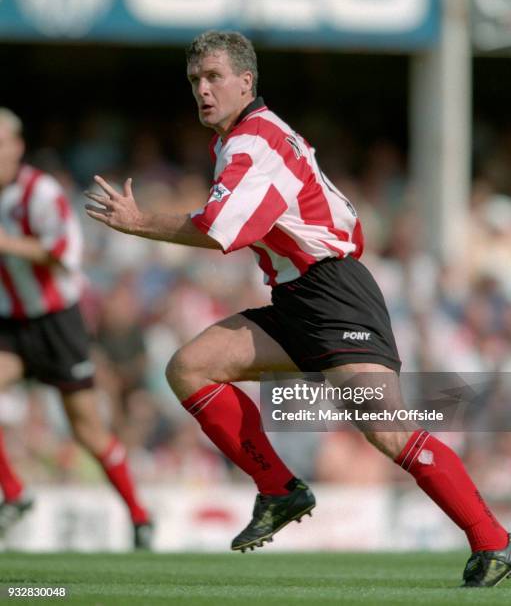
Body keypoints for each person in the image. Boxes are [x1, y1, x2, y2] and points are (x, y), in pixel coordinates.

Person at [85, 31, 510, 586]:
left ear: (247, 82)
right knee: (189, 367)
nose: (203, 91)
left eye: (213, 78)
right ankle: (279, 490)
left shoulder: (254, 141)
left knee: (387, 430)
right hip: (297, 296)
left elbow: (220, 231)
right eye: (195, 81)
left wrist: (139, 223)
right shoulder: (238, 140)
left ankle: (493, 542)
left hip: (333, 293)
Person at [0, 108, 153, 549]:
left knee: (87, 430)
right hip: (10, 322)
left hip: (57, 322)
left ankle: (140, 516)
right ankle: (12, 492)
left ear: (17, 146)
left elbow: (63, 249)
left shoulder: (41, 192)